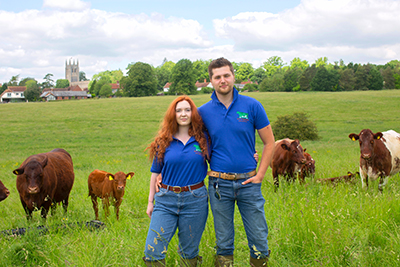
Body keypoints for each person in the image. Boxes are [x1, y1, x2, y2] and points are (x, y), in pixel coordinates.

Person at [198, 57, 275, 267]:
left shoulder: (252, 105)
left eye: (226, 75)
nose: (222, 80)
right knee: (223, 242)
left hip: (249, 183)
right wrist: (160, 170)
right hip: (218, 184)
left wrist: (260, 175)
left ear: (233, 76)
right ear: (211, 81)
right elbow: (191, 146)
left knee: (259, 237)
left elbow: (270, 143)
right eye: (217, 77)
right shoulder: (202, 112)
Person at [143, 96, 209, 267]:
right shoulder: (163, 141)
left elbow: (222, 157)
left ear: (193, 113)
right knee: (153, 250)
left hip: (196, 200)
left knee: (189, 252)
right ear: (173, 114)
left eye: (187, 110)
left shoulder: (203, 139)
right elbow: (155, 172)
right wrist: (151, 201)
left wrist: (251, 156)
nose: (183, 114)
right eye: (179, 110)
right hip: (166, 199)